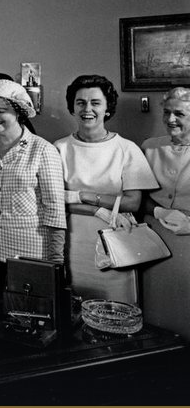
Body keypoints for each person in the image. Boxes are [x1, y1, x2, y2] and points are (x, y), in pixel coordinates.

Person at [54, 75, 157, 304]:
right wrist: (99, 209)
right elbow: (52, 199)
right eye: (80, 102)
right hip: (70, 242)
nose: (87, 109)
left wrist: (82, 195)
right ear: (72, 107)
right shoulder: (59, 148)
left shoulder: (126, 149)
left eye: (95, 102)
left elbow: (132, 203)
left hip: (116, 241)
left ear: (107, 108)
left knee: (116, 309)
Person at [0, 79, 66, 264]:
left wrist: (56, 260)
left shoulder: (43, 149)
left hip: (32, 244)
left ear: (18, 112)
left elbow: (55, 209)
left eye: (1, 111)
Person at [141, 87, 190, 338]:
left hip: (188, 245)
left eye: (179, 114)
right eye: (167, 113)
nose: (171, 120)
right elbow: (136, 197)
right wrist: (158, 211)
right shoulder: (150, 147)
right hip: (153, 239)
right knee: (156, 312)